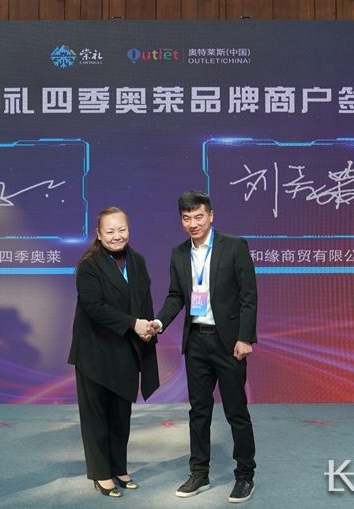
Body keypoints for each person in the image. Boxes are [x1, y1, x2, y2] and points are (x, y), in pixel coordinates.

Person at [150, 190, 257, 503]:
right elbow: (176, 296)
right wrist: (159, 322)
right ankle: (199, 473)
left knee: (236, 412)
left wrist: (245, 337)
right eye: (187, 218)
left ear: (211, 215)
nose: (193, 223)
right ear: (181, 221)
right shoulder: (179, 253)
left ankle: (245, 475)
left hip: (229, 343)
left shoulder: (234, 246)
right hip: (196, 341)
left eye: (198, 216)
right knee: (198, 412)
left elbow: (249, 296)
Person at [68, 206, 160, 498]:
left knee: (121, 415)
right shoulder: (89, 265)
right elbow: (94, 307)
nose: (117, 235)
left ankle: (119, 467)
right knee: (96, 416)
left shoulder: (137, 261)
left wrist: (148, 326)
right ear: (98, 234)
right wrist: (133, 324)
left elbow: (144, 300)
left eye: (122, 229)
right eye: (110, 231)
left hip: (126, 349)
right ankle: (101, 473)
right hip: (94, 352)